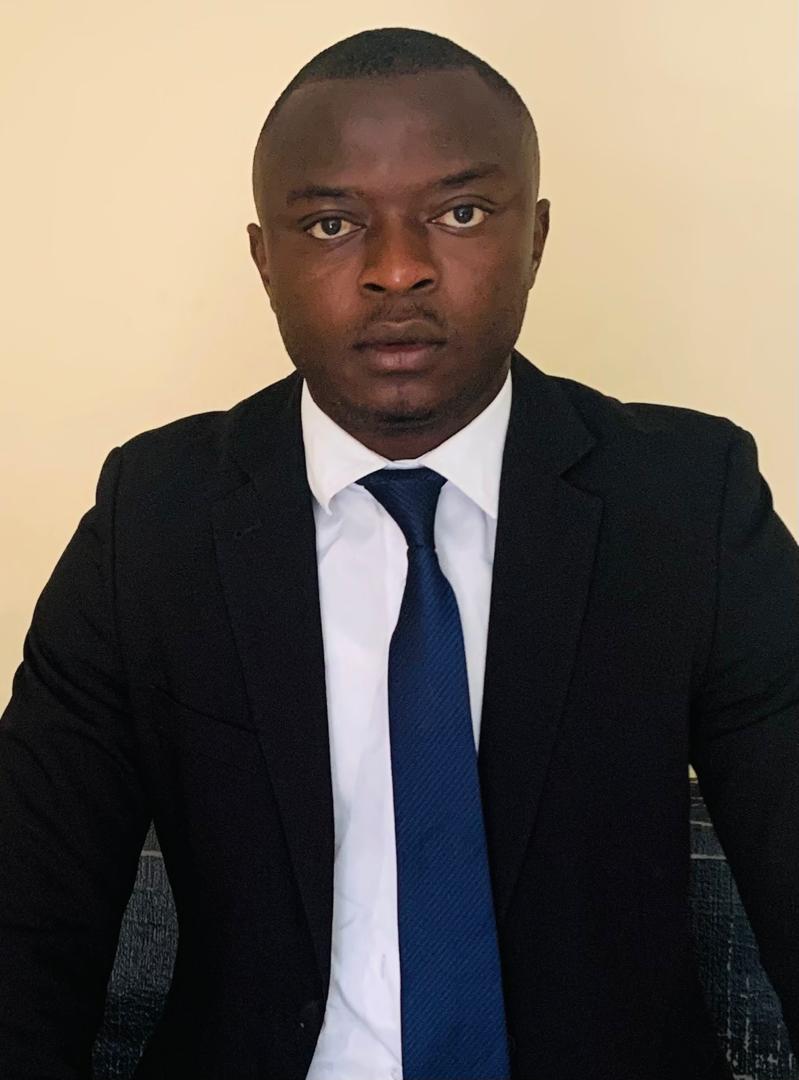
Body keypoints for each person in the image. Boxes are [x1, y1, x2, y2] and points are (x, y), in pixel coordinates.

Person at [0, 25, 797, 1080]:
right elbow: (28, 920)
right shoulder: (154, 520)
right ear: (265, 261)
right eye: (332, 224)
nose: (397, 270)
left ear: (535, 237)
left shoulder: (687, 504)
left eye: (459, 213)